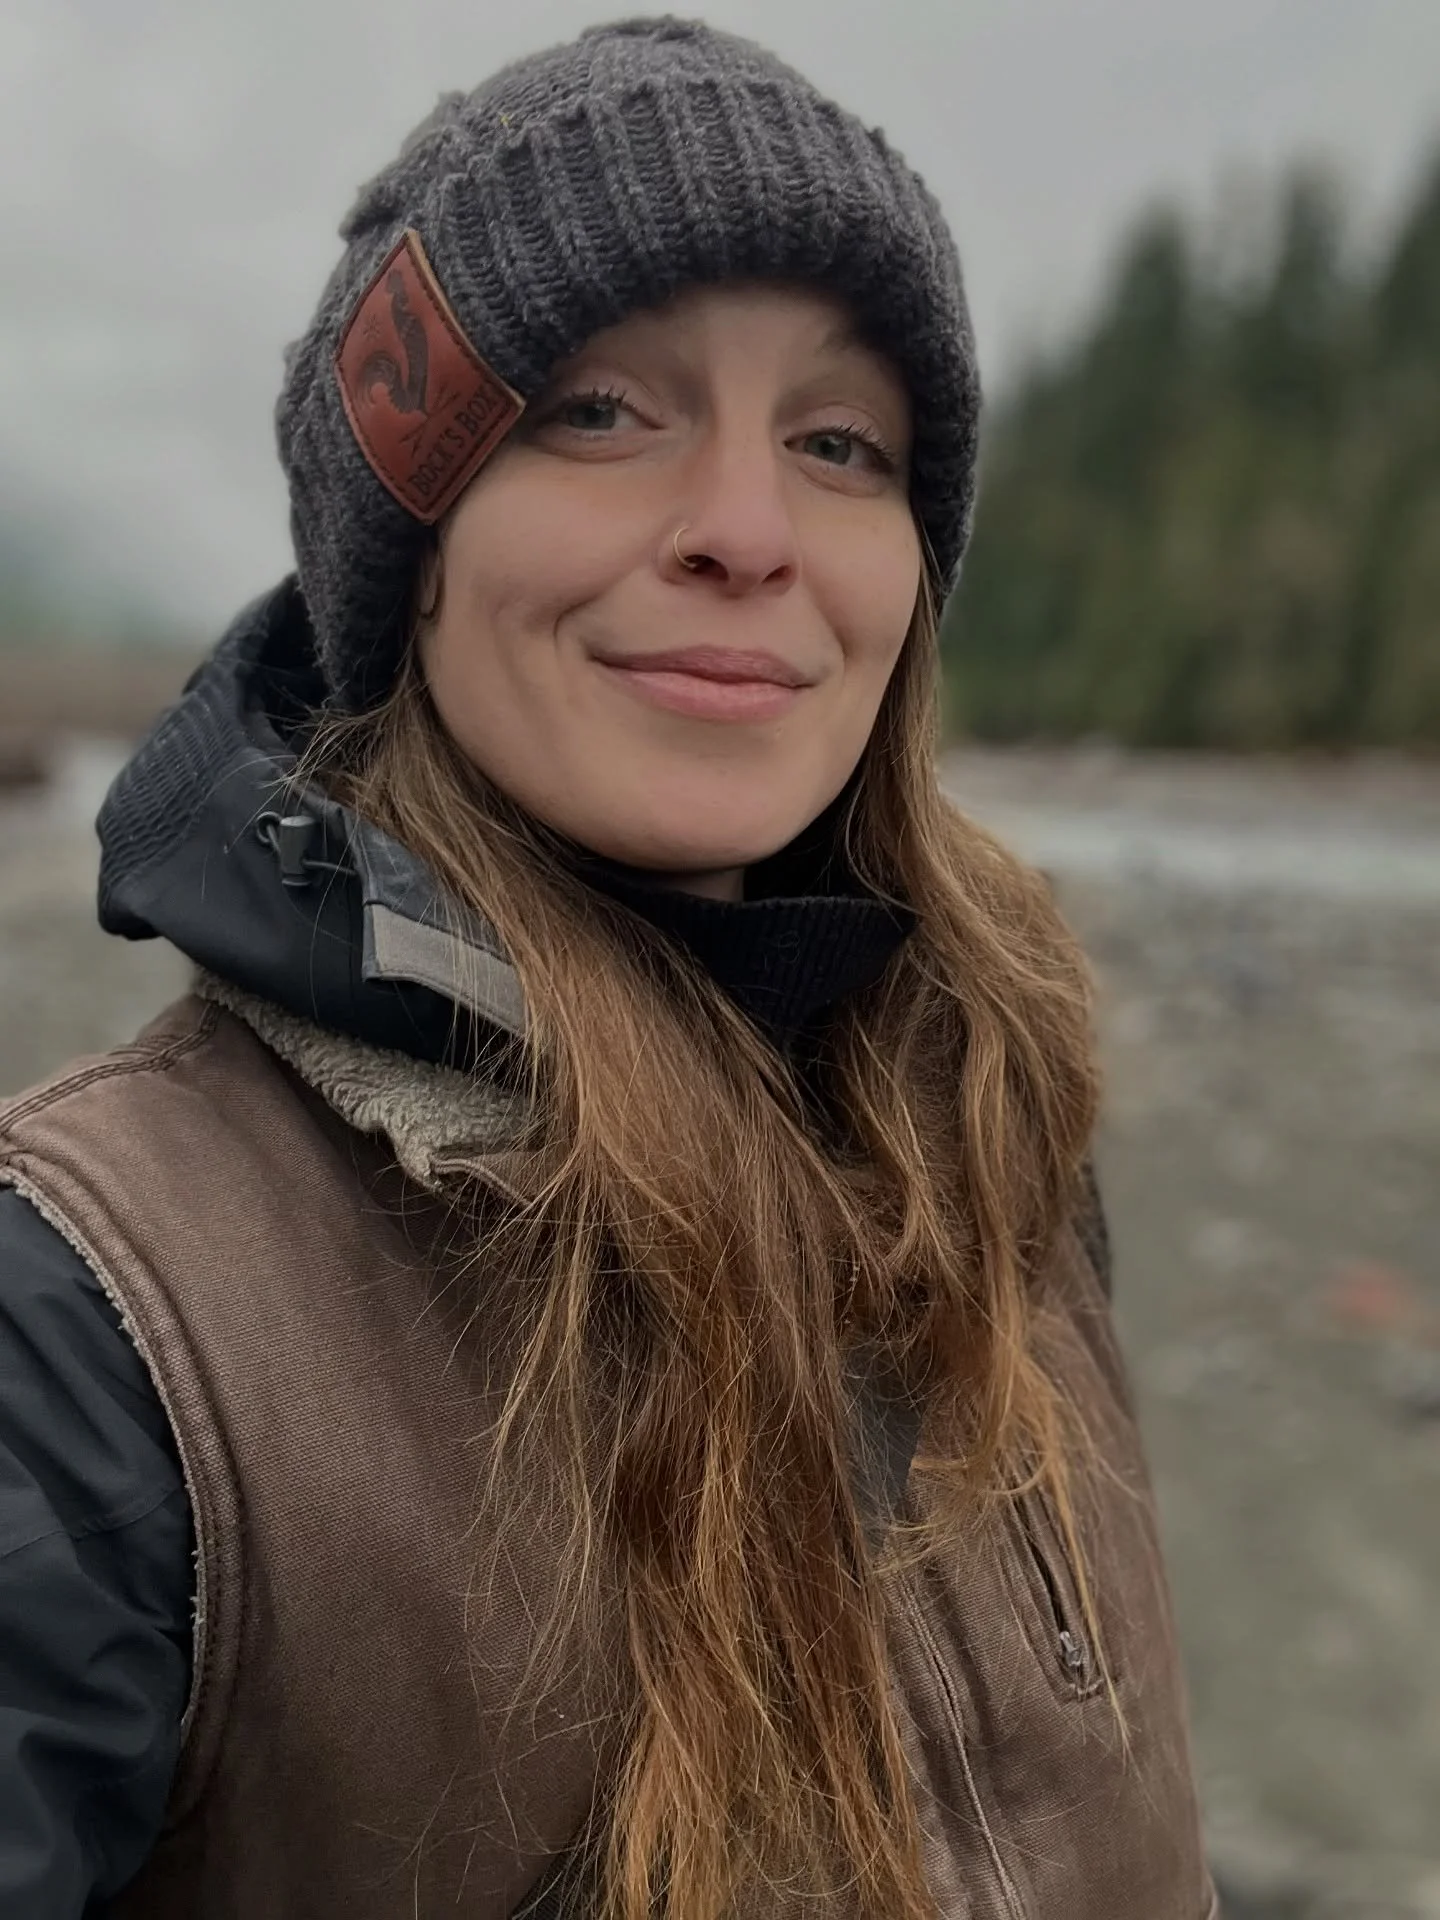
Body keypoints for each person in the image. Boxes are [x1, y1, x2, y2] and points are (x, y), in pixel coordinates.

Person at [0, 18, 1217, 1919]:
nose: (745, 531)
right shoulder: (89, 1324)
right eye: (597, 413)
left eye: (839, 443)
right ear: (407, 548)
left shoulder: (996, 1119)